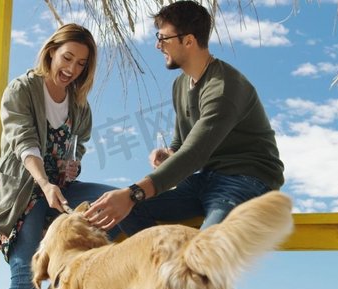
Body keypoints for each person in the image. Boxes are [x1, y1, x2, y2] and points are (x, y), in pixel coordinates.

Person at [84, 0, 285, 235]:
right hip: (205, 180)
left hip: (247, 179)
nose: (158, 46)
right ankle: (166, 269)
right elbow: (181, 145)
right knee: (132, 211)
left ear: (188, 40)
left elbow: (194, 154)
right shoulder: (180, 84)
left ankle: (186, 269)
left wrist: (132, 193)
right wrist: (168, 155)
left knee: (207, 247)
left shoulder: (224, 87)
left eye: (163, 38)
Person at [0, 23, 117, 289]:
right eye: (67, 58)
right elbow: (23, 140)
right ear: (51, 52)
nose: (72, 69)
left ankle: (68, 281)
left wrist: (74, 164)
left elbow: (79, 147)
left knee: (114, 202)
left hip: (62, 192)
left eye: (81, 63)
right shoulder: (23, 89)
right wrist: (44, 182)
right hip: (23, 192)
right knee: (27, 278)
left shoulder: (79, 104)